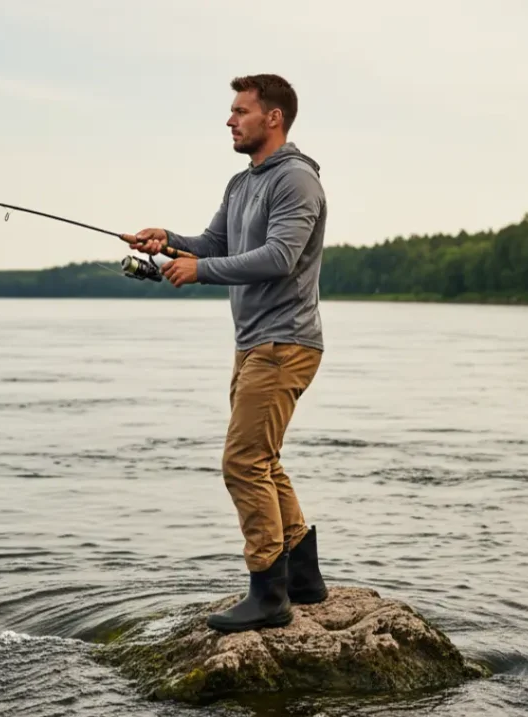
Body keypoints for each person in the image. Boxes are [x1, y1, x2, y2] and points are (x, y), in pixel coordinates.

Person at [121, 73, 329, 633]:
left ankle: (268, 594)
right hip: (254, 343)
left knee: (243, 463)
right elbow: (217, 245)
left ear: (273, 119)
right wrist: (169, 240)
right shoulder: (242, 185)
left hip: (286, 342)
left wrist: (199, 271)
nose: (230, 120)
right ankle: (304, 580)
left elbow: (279, 257)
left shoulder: (296, 182)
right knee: (264, 458)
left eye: (240, 111)